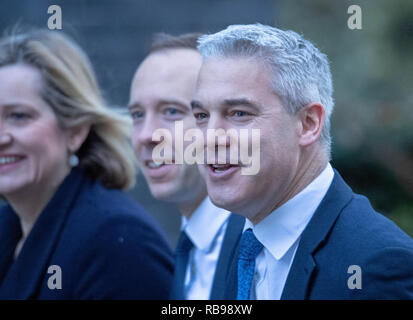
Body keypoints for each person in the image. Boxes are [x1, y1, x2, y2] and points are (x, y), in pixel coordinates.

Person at [191, 23, 413, 299]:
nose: (210, 137)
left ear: (308, 123)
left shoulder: (377, 266)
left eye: (238, 113)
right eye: (201, 116)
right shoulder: (237, 234)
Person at [0, 29, 173, 299]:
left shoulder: (118, 243)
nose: (2, 137)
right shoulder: (7, 229)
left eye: (19, 116)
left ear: (75, 130)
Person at [128, 33, 244, 300]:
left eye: (171, 111)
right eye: (137, 115)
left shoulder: (257, 248)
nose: (147, 134)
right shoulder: (188, 246)